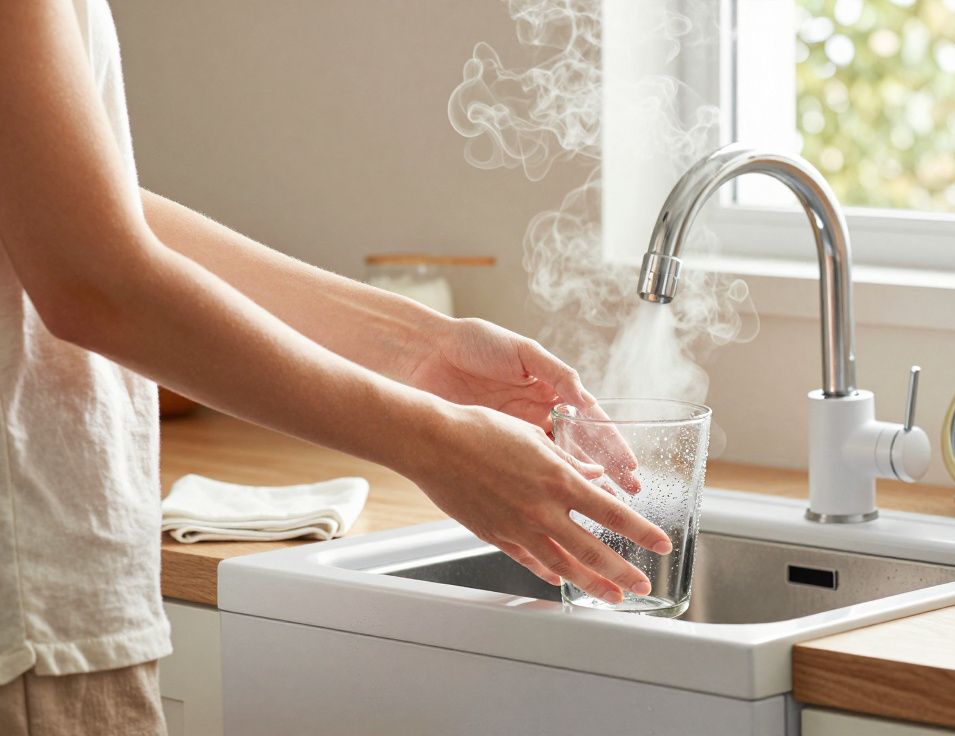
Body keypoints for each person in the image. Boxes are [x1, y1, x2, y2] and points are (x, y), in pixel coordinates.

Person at [0, 1, 670, 732]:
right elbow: (93, 280)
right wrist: (433, 441)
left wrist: (413, 348)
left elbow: (76, 210)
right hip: (29, 612)